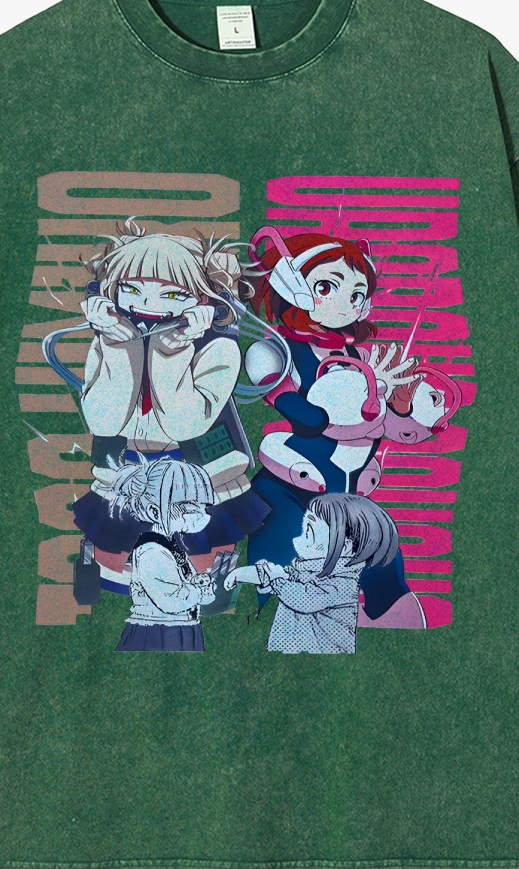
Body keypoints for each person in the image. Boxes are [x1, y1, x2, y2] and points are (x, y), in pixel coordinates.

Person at [240, 227, 461, 621]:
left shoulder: (359, 355)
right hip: (294, 484)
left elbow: (388, 424)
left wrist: (414, 410)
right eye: (328, 287)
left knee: (381, 558)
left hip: (347, 489)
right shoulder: (275, 352)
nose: (348, 303)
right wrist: (347, 397)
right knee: (280, 570)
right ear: (292, 288)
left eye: (357, 294)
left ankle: (388, 615)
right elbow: (304, 412)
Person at [43, 218, 269, 592]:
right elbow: (103, 421)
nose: (149, 305)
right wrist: (118, 347)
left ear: (204, 301)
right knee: (111, 566)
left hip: (200, 472)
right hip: (126, 469)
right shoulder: (110, 342)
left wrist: (172, 351)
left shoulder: (219, 349)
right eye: (132, 290)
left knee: (203, 569)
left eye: (173, 295)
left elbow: (185, 424)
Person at [226, 494, 400, 654]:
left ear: (345, 547)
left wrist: (276, 580)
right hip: (291, 655)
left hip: (325, 655)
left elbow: (304, 599)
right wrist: (241, 574)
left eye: (309, 530)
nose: (301, 536)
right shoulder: (303, 570)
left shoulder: (343, 584)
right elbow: (273, 575)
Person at [105, 455, 218, 653]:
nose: (201, 516)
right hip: (157, 633)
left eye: (203, 508)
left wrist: (201, 585)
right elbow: (171, 601)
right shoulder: (151, 551)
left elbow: (187, 590)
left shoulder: (171, 547)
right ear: (155, 512)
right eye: (191, 509)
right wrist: (198, 590)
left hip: (182, 630)